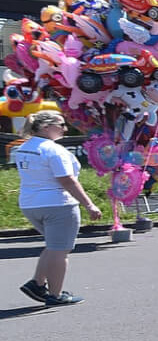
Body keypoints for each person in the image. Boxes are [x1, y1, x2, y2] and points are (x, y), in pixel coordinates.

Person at [14, 109, 100, 306]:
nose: (65, 128)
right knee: (61, 250)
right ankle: (55, 294)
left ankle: (37, 283)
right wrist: (89, 204)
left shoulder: (25, 148)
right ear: (46, 127)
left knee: (53, 246)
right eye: (61, 125)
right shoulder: (54, 150)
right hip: (58, 204)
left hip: (30, 203)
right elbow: (67, 181)